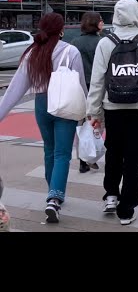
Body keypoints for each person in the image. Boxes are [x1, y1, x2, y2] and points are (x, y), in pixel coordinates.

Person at [86, 0, 138, 225]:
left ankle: (111, 195)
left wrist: (94, 112)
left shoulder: (105, 42)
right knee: (133, 158)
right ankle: (127, 208)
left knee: (113, 152)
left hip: (112, 108)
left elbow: (98, 81)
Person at [0, 13, 87, 223]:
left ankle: (52, 193)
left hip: (41, 104)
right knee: (62, 153)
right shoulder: (70, 51)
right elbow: (80, 85)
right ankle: (54, 198)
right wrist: (86, 112)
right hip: (65, 105)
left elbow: (15, 88)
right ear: (61, 30)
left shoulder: (33, 53)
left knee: (49, 150)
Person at [71, 11, 103, 173]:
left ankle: (83, 159)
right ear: (96, 24)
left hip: (80, 88)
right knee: (97, 123)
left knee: (81, 124)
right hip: (97, 87)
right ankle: (93, 154)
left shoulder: (75, 42)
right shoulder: (102, 42)